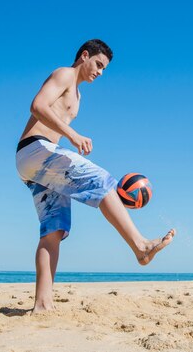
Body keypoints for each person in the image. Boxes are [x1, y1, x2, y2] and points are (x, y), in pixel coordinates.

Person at [15, 39, 176, 313]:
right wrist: (73, 135)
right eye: (98, 64)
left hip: (32, 165)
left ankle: (43, 305)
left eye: (104, 69)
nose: (100, 72)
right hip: (36, 149)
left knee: (53, 231)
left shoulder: (78, 97)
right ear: (84, 55)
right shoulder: (64, 73)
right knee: (101, 181)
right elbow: (37, 105)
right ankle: (141, 246)